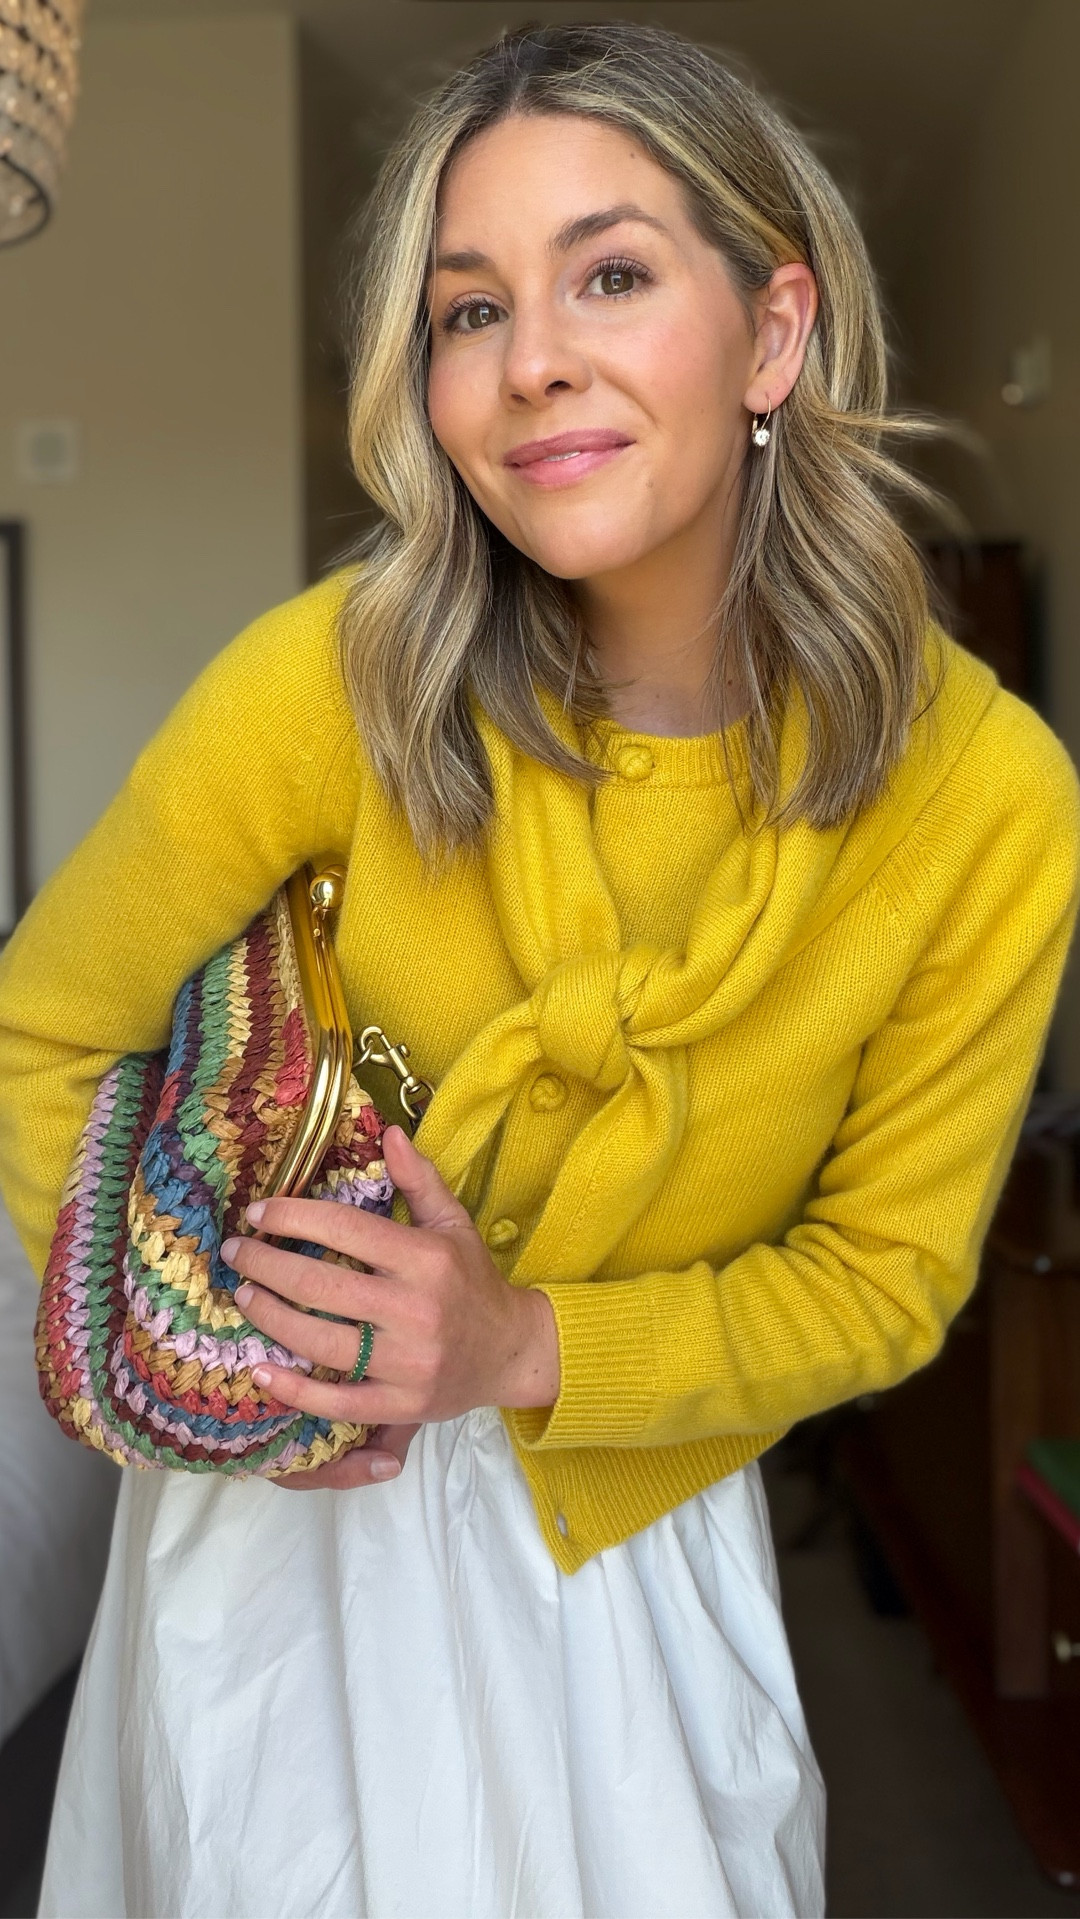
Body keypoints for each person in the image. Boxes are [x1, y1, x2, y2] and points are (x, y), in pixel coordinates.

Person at [0, 20, 1076, 1919]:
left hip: (628, 1538)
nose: (532, 361)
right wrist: (198, 1364)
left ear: (772, 331)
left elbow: (891, 1280)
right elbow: (41, 1028)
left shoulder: (989, 803)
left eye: (611, 274)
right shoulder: (328, 681)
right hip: (276, 1545)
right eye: (464, 308)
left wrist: (524, 1346)